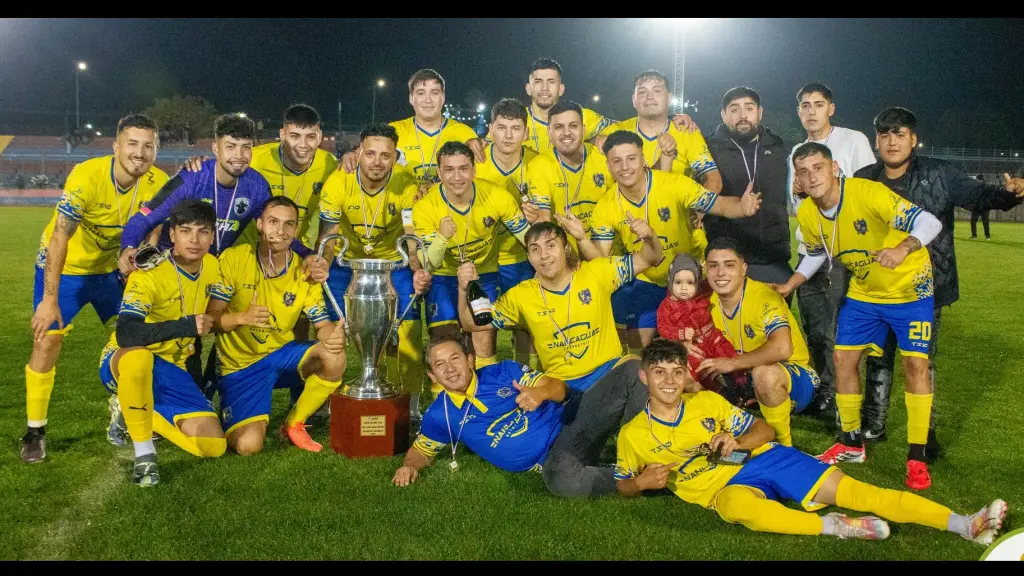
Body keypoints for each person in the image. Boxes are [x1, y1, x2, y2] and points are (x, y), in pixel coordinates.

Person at [614, 339, 1008, 546]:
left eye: (676, 371)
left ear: (685, 376)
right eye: (658, 371)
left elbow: (764, 431)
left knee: (862, 492)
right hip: (726, 489)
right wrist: (641, 484)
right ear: (644, 378)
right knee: (739, 508)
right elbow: (623, 484)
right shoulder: (633, 435)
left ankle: (965, 524)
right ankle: (831, 527)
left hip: (768, 460)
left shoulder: (707, 401)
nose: (668, 380)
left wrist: (736, 439)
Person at [776, 142, 944, 490]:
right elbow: (815, 253)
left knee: (915, 366)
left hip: (911, 290)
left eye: (817, 168)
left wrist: (902, 248)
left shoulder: (868, 193)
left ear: (834, 167)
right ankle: (851, 443)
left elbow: (929, 222)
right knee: (842, 359)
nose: (811, 177)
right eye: (803, 172)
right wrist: (792, 282)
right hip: (865, 293)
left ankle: (917, 456)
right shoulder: (807, 213)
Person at [854, 108, 1024, 450]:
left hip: (924, 288)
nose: (891, 142)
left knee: (920, 360)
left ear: (913, 139)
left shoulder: (939, 173)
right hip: (876, 287)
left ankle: (924, 432)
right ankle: (874, 424)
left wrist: (1009, 194)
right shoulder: (863, 178)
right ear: (876, 141)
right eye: (885, 135)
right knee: (877, 357)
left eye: (899, 134)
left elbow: (979, 197)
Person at [23, 113, 168, 463]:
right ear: (117, 146)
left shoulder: (158, 180)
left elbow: (153, 231)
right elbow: (60, 236)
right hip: (67, 268)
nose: (140, 152)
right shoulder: (87, 175)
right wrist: (50, 299)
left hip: (109, 274)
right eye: (132, 144)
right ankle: (35, 431)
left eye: (148, 146)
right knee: (48, 340)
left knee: (134, 338)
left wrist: (135, 258)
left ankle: (121, 399)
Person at [391, 332, 651, 499]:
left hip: (574, 422)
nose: (449, 369)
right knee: (559, 478)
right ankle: (639, 480)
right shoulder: (440, 414)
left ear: (470, 360)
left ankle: (648, 453)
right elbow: (421, 450)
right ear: (432, 377)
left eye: (455, 358)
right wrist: (408, 466)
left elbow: (559, 388)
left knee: (632, 371)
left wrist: (540, 394)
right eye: (440, 365)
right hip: (554, 461)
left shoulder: (502, 371)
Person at [584, 130, 761, 353]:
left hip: (693, 277)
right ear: (608, 166)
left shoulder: (675, 184)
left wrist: (742, 208)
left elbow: (721, 205)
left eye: (631, 158)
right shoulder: (605, 206)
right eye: (616, 161)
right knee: (638, 343)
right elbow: (601, 259)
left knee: (703, 340)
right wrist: (581, 239)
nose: (625, 167)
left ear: (644, 159)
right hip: (649, 280)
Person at [99, 200, 225, 486]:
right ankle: (145, 456)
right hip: (124, 361)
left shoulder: (212, 266)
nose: (194, 240)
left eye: (203, 232)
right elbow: (126, 334)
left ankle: (133, 409)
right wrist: (187, 325)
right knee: (139, 357)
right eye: (185, 231)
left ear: (212, 237)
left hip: (171, 369)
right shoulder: (149, 274)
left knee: (213, 446)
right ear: (172, 235)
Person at [207, 197, 346, 454]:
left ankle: (294, 424)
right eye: (273, 222)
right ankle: (230, 409)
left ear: (295, 230)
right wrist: (241, 318)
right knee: (248, 446)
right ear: (259, 224)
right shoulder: (234, 259)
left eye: (288, 224)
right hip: (240, 366)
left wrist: (332, 337)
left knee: (334, 355)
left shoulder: (304, 272)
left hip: (280, 357)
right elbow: (211, 319)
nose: (280, 231)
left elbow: (322, 323)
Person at [463, 220, 660, 394]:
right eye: (535, 249)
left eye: (551, 245)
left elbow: (649, 258)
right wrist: (463, 289)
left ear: (566, 249)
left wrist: (650, 237)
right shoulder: (520, 296)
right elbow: (472, 324)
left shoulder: (597, 272)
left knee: (635, 369)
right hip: (561, 384)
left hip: (608, 371)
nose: (544, 255)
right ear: (530, 258)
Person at [317, 123, 427, 421]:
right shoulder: (339, 181)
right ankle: (326, 399)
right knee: (327, 326)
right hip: (348, 262)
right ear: (359, 153)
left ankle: (410, 403)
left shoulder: (405, 181)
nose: (377, 162)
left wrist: (417, 269)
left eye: (385, 156)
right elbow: (328, 234)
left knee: (410, 329)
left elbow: (411, 235)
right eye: (370, 154)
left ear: (395, 157)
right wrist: (323, 265)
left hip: (394, 262)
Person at [786, 83, 877, 419]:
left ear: (831, 108)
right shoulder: (796, 149)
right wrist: (799, 191)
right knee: (813, 327)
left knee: (838, 330)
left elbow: (869, 189)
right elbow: (797, 206)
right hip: (809, 250)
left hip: (844, 253)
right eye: (805, 105)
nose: (811, 111)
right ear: (799, 111)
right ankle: (824, 392)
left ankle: (847, 399)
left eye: (818, 104)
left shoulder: (853, 140)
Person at [412, 141, 532, 368]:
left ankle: (484, 395)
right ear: (439, 173)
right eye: (449, 170)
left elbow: (526, 237)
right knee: (443, 340)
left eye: (463, 168)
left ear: (474, 170)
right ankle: (446, 399)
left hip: (483, 273)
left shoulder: (496, 195)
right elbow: (430, 264)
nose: (457, 177)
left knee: (483, 333)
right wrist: (442, 237)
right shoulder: (425, 207)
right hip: (444, 275)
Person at [698, 236, 819, 448]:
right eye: (713, 266)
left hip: (795, 376)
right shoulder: (705, 302)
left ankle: (782, 447)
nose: (721, 273)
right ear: (705, 269)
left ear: (743, 268)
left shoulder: (764, 297)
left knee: (764, 374)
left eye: (729, 265)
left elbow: (782, 348)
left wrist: (732, 363)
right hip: (742, 381)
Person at [474, 97, 556, 369]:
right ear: (490, 129)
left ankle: (527, 379)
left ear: (526, 130)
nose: (508, 135)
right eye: (501, 127)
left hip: (521, 260)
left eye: (515, 128)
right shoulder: (476, 162)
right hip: (482, 261)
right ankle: (487, 389)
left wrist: (538, 218)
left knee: (526, 326)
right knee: (483, 325)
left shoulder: (538, 163)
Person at [704, 87, 792, 286]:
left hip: (773, 257)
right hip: (726, 258)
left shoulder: (777, 147)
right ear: (723, 115)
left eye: (749, 108)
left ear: (760, 113)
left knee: (774, 317)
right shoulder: (708, 148)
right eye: (734, 109)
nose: (742, 115)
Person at [340, 69, 486, 188]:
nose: (428, 100)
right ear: (411, 98)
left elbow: (475, 177)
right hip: (400, 216)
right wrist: (352, 155)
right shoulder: (392, 132)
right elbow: (365, 156)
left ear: (443, 97)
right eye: (421, 93)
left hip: (446, 215)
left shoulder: (464, 133)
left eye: (434, 93)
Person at [597, 70, 722, 193]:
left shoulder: (687, 132)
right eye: (642, 92)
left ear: (669, 98)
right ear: (633, 100)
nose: (649, 97)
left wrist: (693, 213)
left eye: (657, 91)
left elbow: (713, 180)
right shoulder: (613, 133)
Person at [655, 253, 749, 405]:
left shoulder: (701, 293)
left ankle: (743, 385)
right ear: (670, 281)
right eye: (678, 282)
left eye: (690, 283)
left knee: (729, 355)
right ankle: (722, 394)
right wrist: (681, 334)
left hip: (713, 337)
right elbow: (663, 328)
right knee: (701, 371)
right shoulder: (666, 307)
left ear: (697, 283)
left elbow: (714, 281)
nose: (684, 287)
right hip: (694, 346)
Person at [528, 99, 614, 252]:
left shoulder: (604, 157)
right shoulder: (538, 165)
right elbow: (543, 218)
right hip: (567, 256)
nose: (566, 133)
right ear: (549, 132)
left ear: (584, 129)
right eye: (559, 127)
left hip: (609, 252)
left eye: (573, 126)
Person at [522, 57, 613, 152]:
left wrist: (596, 138)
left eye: (551, 82)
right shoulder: (515, 121)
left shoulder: (580, 115)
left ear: (561, 89)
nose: (545, 88)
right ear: (528, 88)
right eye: (538, 82)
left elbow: (624, 127)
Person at [969, 175, 991, 240]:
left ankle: (974, 236)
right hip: (985, 206)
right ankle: (987, 236)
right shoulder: (987, 187)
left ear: (977, 179)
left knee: (973, 221)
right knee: (985, 221)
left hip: (977, 206)